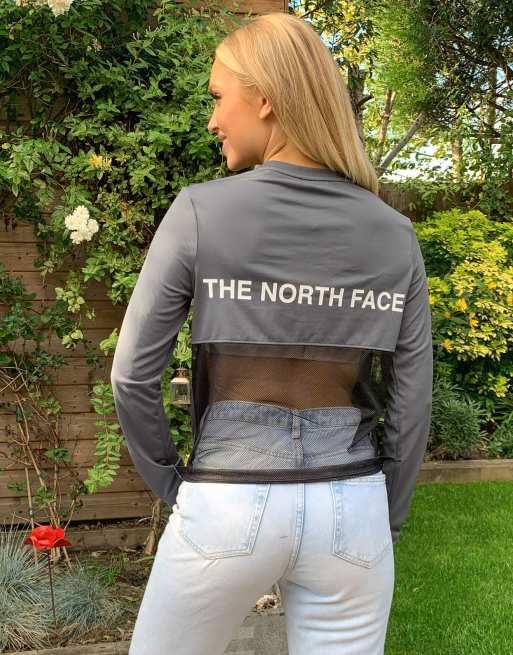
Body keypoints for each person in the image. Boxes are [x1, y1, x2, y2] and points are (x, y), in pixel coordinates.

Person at [110, 11, 433, 655]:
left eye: (217, 97)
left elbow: (132, 376)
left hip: (227, 497)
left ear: (264, 99)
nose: (212, 120)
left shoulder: (200, 211)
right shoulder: (395, 235)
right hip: (352, 506)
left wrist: (175, 485)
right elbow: (411, 401)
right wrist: (385, 517)